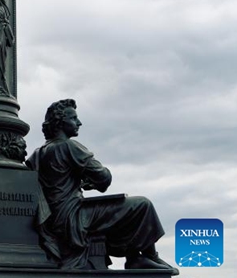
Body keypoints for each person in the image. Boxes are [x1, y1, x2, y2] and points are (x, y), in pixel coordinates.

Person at [27, 99, 178, 274]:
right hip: (73, 216)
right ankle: (144, 256)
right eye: (74, 118)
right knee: (142, 205)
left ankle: (137, 256)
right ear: (60, 122)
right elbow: (104, 177)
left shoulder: (38, 153)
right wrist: (91, 180)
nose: (79, 123)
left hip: (56, 218)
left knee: (126, 207)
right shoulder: (69, 146)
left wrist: (81, 181)